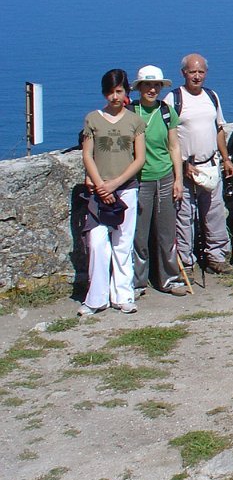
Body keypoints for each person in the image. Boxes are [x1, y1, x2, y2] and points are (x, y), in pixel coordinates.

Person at [80, 69, 146, 315]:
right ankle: (96, 298)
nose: (114, 97)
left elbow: (139, 159)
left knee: (123, 243)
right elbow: (87, 154)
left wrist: (115, 183)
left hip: (126, 189)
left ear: (126, 92)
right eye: (110, 92)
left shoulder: (135, 122)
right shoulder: (92, 119)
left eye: (119, 91)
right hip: (99, 192)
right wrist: (101, 185)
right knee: (97, 243)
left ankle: (123, 295)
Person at [168, 54, 233, 276]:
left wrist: (226, 159)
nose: (197, 76)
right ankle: (185, 261)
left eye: (200, 72)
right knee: (184, 216)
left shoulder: (211, 96)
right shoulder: (173, 99)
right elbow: (169, 138)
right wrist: (181, 164)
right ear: (183, 73)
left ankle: (216, 257)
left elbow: (219, 129)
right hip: (186, 167)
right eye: (192, 72)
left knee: (214, 212)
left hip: (210, 164)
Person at [130, 65, 186, 297]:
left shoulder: (166, 112)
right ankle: (137, 282)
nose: (152, 89)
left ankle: (170, 279)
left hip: (164, 177)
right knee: (139, 235)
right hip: (140, 180)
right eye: (148, 85)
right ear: (139, 88)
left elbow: (174, 146)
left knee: (166, 233)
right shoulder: (130, 113)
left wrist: (178, 179)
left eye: (156, 85)